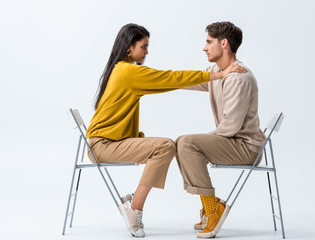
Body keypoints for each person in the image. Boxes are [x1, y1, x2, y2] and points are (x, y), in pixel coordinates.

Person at [85, 23, 246, 238]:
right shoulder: (128, 71)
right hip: (102, 145)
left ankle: (134, 202)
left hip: (107, 143)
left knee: (166, 146)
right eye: (144, 47)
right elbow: (170, 78)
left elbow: (170, 80)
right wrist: (218, 75)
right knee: (165, 146)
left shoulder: (121, 70)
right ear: (129, 48)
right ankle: (135, 207)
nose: (147, 52)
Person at [175, 21, 266, 238]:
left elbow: (230, 126)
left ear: (224, 43)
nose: (204, 47)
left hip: (245, 147)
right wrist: (157, 79)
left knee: (187, 143)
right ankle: (212, 207)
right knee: (181, 143)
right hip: (231, 141)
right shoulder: (218, 71)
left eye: (208, 42)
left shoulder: (239, 77)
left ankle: (213, 211)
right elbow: (193, 79)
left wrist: (205, 146)